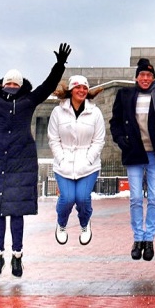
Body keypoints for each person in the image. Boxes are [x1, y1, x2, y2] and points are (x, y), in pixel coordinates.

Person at [0, 41, 70, 278]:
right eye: (8, 83)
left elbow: (47, 86)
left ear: (20, 85)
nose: (11, 87)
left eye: (15, 84)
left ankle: (17, 257)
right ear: (2, 83)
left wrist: (59, 65)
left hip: (20, 161)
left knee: (16, 212)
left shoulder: (28, 101)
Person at [110, 57, 155, 262]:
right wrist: (120, 139)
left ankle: (149, 238)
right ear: (136, 77)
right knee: (134, 198)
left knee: (154, 198)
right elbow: (115, 122)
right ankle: (137, 238)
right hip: (134, 152)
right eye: (142, 75)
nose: (145, 78)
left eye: (149, 75)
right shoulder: (124, 95)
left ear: (154, 77)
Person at [49, 74, 105, 248]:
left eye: (84, 87)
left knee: (82, 198)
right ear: (71, 90)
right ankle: (61, 223)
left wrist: (88, 160)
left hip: (88, 165)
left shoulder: (95, 112)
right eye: (78, 87)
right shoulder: (58, 111)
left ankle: (84, 223)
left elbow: (99, 140)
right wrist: (62, 158)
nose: (81, 90)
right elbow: (53, 139)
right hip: (64, 163)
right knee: (67, 198)